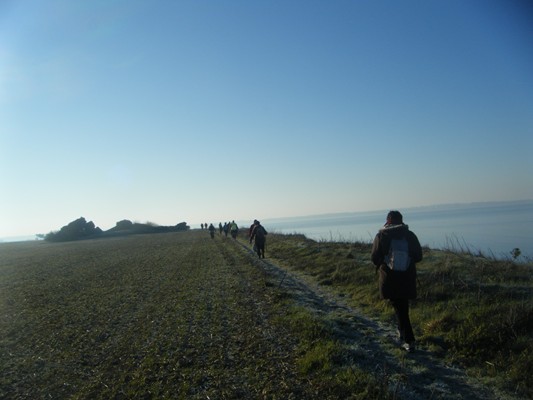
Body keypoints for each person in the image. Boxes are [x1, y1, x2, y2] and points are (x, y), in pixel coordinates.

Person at [371, 210, 423, 352]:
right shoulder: (410, 235)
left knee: (400, 308)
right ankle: (402, 331)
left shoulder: (381, 235)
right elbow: (418, 256)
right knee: (402, 306)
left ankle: (409, 340)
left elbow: (375, 258)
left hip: (390, 278)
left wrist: (385, 262)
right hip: (407, 277)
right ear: (401, 220)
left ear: (388, 221)